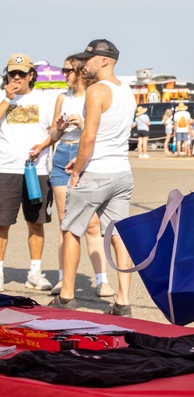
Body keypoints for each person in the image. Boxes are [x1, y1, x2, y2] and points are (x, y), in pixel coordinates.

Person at [51, 39, 136, 314]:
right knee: (118, 234)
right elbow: (112, 135)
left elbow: (89, 135)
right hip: (122, 171)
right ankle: (123, 300)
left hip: (96, 172)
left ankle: (66, 296)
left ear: (103, 60)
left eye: (87, 59)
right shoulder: (128, 91)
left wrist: (77, 170)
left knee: (70, 230)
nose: (83, 64)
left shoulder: (96, 90)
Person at [49, 57, 113, 299]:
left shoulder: (94, 94)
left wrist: (82, 122)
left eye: (68, 69)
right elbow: (53, 134)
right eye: (63, 69)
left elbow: (98, 131)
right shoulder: (61, 98)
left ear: (79, 71)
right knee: (65, 223)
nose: (64, 73)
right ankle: (63, 278)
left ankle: (101, 280)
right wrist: (60, 127)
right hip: (62, 152)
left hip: (84, 153)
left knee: (92, 223)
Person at [0, 53, 55, 292]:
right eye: (12, 73)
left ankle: (34, 272)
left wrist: (42, 146)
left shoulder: (45, 99)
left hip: (37, 170)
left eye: (22, 73)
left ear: (31, 75)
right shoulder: (1, 97)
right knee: (2, 224)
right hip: (5, 169)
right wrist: (6, 99)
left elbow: (54, 130)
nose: (16, 77)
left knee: (36, 222)